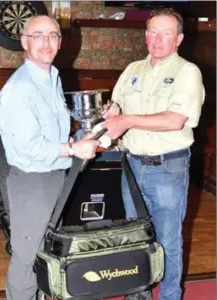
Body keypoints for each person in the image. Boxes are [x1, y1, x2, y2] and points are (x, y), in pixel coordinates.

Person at [103, 8, 205, 300]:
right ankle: (139, 294)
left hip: (167, 169)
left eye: (166, 33)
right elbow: (117, 106)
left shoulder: (187, 72)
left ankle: (171, 295)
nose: (157, 39)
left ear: (179, 39)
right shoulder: (132, 70)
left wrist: (128, 121)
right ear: (145, 35)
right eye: (152, 32)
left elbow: (176, 120)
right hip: (133, 168)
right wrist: (114, 112)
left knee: (168, 241)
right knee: (135, 239)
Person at [0, 15, 100, 300]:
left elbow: (51, 133)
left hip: (53, 176)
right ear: (24, 42)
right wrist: (72, 150)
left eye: (53, 35)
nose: (46, 42)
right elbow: (28, 149)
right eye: (38, 35)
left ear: (60, 41)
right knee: (26, 258)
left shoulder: (50, 76)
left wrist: (73, 140)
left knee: (43, 250)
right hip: (32, 182)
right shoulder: (20, 88)